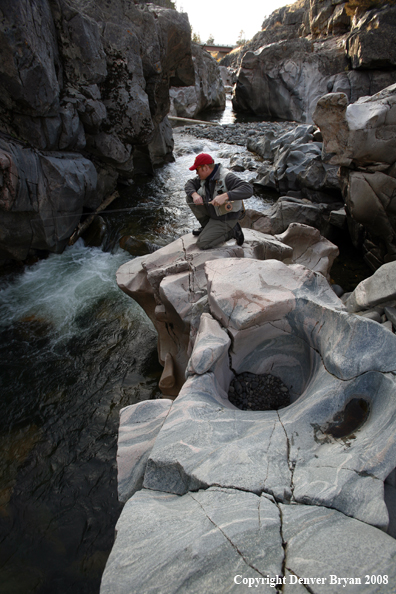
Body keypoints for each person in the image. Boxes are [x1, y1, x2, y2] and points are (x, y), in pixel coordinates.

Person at [185, 153, 253, 250]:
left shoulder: (227, 177)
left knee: (202, 243)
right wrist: (194, 194)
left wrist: (226, 196)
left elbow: (248, 189)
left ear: (205, 167)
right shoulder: (205, 177)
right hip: (214, 213)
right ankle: (206, 226)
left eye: (197, 169)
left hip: (226, 218)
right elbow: (189, 184)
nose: (196, 173)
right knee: (189, 198)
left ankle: (232, 231)